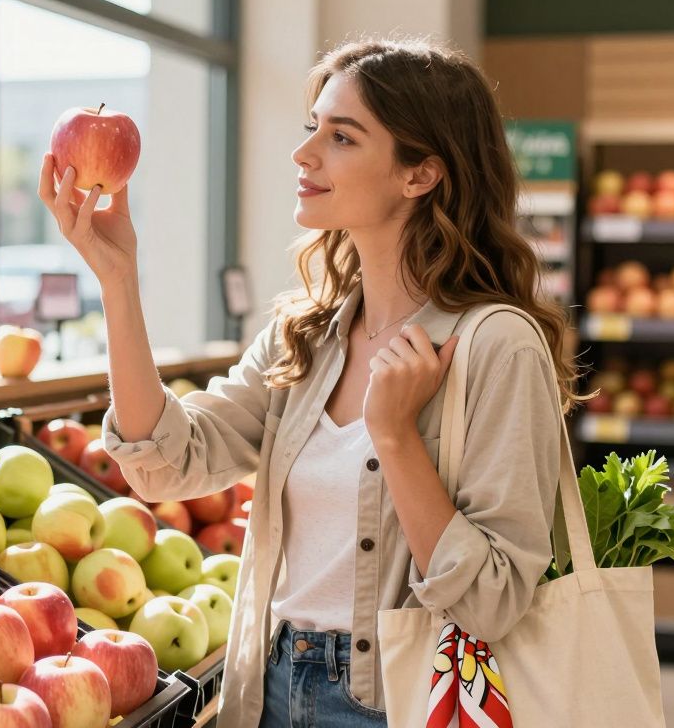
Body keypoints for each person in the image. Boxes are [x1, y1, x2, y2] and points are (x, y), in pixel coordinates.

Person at [37, 37, 582, 728]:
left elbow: (493, 600)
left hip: (397, 702)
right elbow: (168, 464)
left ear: (420, 174)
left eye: (342, 136)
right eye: (312, 128)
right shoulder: (308, 333)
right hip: (269, 685)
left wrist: (395, 436)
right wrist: (118, 280)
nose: (304, 153)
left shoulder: (497, 346)